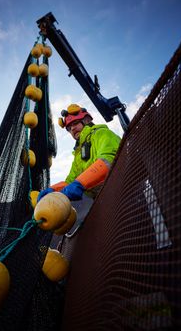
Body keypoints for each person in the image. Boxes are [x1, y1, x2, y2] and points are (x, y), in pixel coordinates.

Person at [38, 103, 121, 260]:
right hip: (107, 200)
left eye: (75, 124)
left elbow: (109, 159)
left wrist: (80, 184)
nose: (72, 129)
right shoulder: (79, 154)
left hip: (127, 189)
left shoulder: (101, 134)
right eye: (69, 128)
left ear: (87, 120)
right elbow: (71, 181)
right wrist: (51, 190)